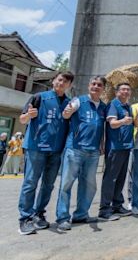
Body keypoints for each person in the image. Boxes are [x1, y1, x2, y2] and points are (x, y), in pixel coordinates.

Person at [17, 71, 74, 235]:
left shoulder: (69, 104)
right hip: (36, 148)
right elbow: (22, 119)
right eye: (60, 80)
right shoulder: (39, 97)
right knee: (30, 183)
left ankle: (38, 213)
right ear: (54, 81)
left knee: (48, 185)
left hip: (56, 150)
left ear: (69, 85)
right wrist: (29, 115)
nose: (62, 83)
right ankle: (25, 218)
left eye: (66, 82)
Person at [55, 76, 108, 231]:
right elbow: (65, 114)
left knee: (89, 185)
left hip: (93, 152)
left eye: (99, 85)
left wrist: (102, 145)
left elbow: (101, 129)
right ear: (88, 86)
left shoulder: (103, 107)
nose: (96, 87)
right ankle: (63, 217)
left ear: (103, 88)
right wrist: (68, 111)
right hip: (75, 149)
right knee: (66, 184)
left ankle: (81, 214)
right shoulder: (79, 101)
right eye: (93, 84)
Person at [99, 82, 134, 221]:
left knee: (120, 178)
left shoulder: (128, 106)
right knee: (110, 178)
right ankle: (104, 209)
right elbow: (112, 124)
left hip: (125, 147)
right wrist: (124, 121)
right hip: (115, 147)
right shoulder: (114, 104)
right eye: (123, 89)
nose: (125, 92)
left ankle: (117, 205)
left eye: (128, 89)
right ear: (117, 92)